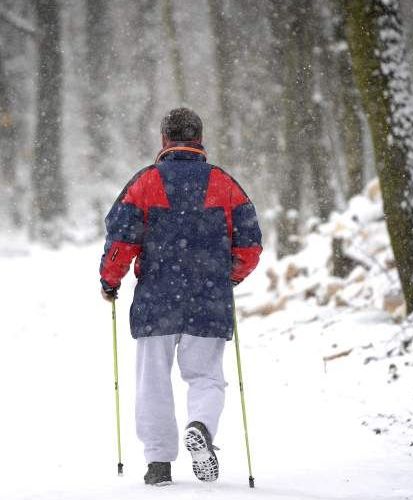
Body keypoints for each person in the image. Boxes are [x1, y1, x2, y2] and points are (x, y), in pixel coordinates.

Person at [99, 108, 262, 486]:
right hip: (208, 296)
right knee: (206, 376)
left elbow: (121, 240)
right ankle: (200, 426)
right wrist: (229, 276)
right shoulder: (224, 184)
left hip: (157, 296)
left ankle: (158, 463)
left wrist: (110, 281)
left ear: (164, 140)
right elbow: (250, 245)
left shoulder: (145, 183)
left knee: (152, 379)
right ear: (200, 138)